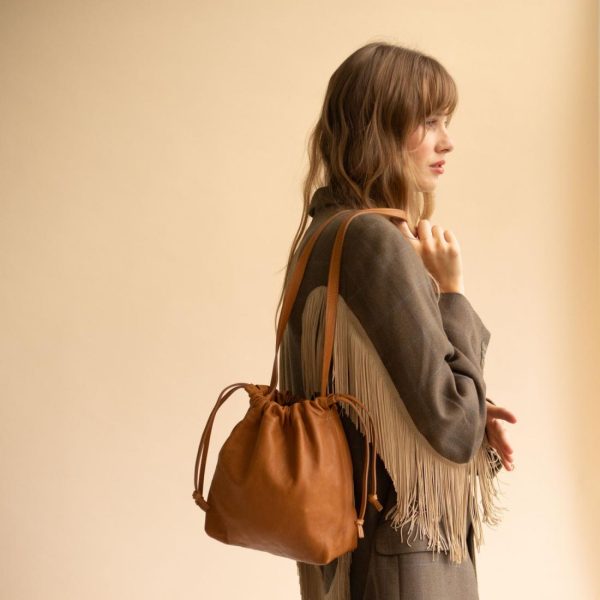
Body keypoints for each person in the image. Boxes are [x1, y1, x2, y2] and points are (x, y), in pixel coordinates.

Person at [275, 41, 517, 600]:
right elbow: (452, 429)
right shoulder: (374, 242)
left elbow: (378, 405)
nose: (446, 141)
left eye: (445, 121)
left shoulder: (322, 234)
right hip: (408, 562)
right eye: (428, 121)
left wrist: (472, 409)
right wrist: (451, 294)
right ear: (377, 130)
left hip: (347, 560)